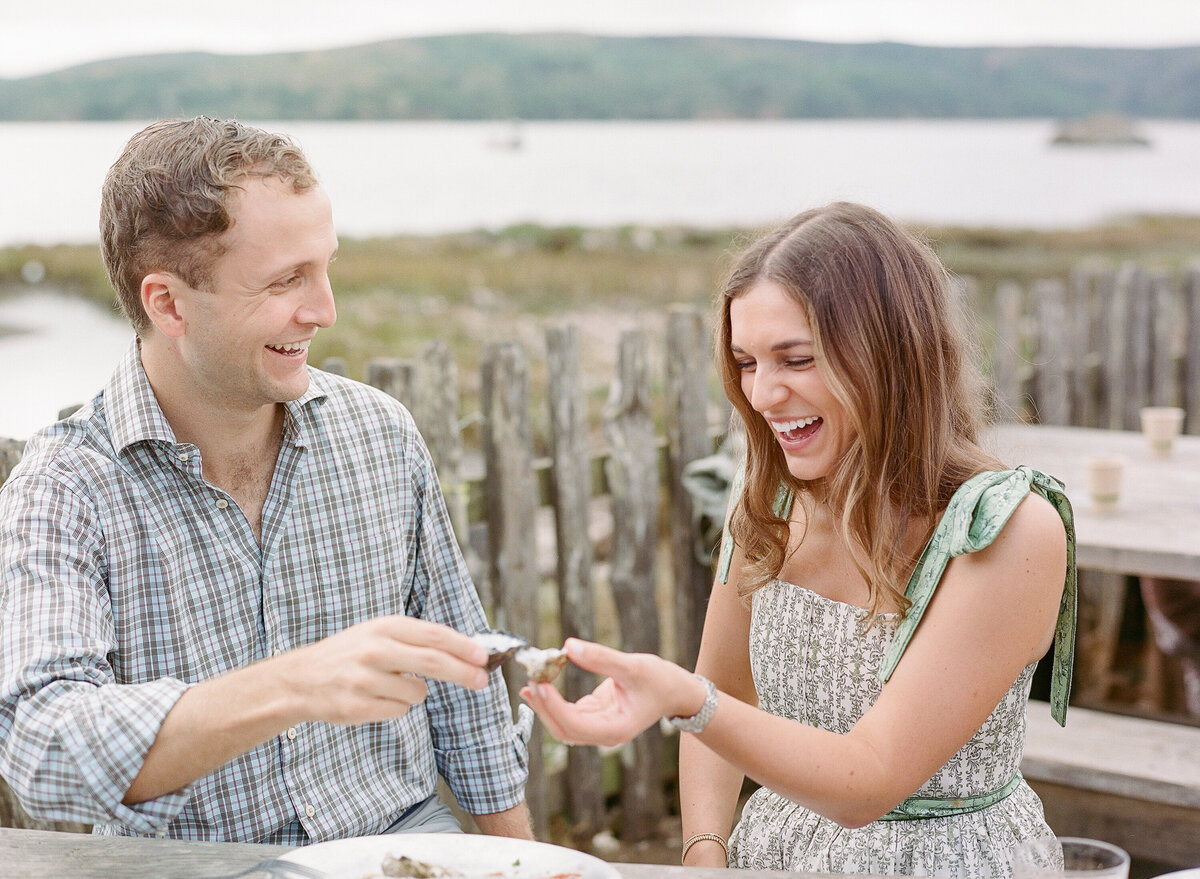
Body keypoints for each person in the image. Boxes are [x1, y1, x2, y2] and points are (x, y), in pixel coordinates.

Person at [0, 117, 532, 844]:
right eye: (287, 279)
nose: (325, 310)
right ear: (168, 303)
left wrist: (523, 863)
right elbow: (42, 745)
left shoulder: (381, 434)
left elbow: (463, 691)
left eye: (324, 266)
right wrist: (293, 684)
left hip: (405, 844)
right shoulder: (63, 489)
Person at [523, 202, 1077, 876]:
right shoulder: (765, 497)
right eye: (746, 362)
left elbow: (868, 779)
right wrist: (705, 853)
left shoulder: (1008, 530)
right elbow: (724, 692)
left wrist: (681, 697)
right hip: (775, 858)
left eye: (795, 359)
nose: (761, 394)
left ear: (891, 353)